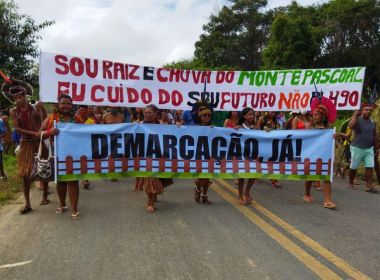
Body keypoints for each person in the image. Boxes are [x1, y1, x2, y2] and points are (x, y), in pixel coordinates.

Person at [2, 77, 49, 213]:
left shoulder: (36, 106)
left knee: (44, 170)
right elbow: (17, 128)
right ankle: (27, 204)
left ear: (25, 94)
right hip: (26, 145)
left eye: (20, 94)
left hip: (40, 143)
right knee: (25, 175)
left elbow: (45, 121)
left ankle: (45, 195)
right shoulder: (13, 111)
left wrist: (43, 111)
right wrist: (33, 133)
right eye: (14, 95)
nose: (17, 96)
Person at [41, 94, 83, 220]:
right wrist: (49, 132)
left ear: (72, 105)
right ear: (58, 104)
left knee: (73, 180)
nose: (65, 106)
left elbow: (85, 135)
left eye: (68, 103)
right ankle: (63, 204)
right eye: (63, 103)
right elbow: (40, 133)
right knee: (60, 181)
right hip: (57, 154)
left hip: (73, 154)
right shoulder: (51, 118)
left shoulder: (77, 119)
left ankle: (74, 209)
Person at [134, 105, 173, 212]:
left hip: (159, 156)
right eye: (145, 112)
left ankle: (154, 194)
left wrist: (178, 125)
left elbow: (174, 133)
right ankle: (150, 202)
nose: (147, 114)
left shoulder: (162, 125)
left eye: (150, 112)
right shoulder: (139, 125)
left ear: (156, 114)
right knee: (149, 178)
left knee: (158, 178)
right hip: (145, 156)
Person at [303, 105, 337, 209]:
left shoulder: (328, 130)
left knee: (326, 176)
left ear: (323, 117)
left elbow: (331, 142)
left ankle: (327, 200)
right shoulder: (309, 127)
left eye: (317, 114)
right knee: (310, 176)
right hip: (311, 155)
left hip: (324, 155)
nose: (314, 116)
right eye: (314, 114)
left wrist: (334, 136)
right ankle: (307, 194)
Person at [348, 104, 380, 193]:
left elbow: (374, 135)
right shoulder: (357, 119)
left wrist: (377, 147)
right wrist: (355, 115)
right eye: (366, 110)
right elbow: (350, 126)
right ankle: (350, 182)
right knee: (353, 167)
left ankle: (369, 186)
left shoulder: (373, 122)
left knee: (370, 166)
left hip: (369, 148)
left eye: (370, 110)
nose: (368, 112)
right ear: (362, 111)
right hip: (357, 147)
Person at [235, 108, 256, 204]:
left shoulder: (256, 127)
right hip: (242, 154)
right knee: (242, 175)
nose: (252, 116)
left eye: (253, 114)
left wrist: (267, 131)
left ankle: (247, 191)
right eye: (249, 114)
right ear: (244, 116)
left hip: (253, 154)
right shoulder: (239, 127)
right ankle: (240, 195)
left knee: (254, 174)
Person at [258, 112, 281, 188]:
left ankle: (274, 179)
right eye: (272, 111)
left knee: (272, 161)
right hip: (262, 143)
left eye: (275, 112)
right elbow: (256, 131)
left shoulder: (276, 122)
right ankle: (256, 175)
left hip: (272, 144)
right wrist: (264, 130)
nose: (273, 113)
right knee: (260, 160)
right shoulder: (261, 119)